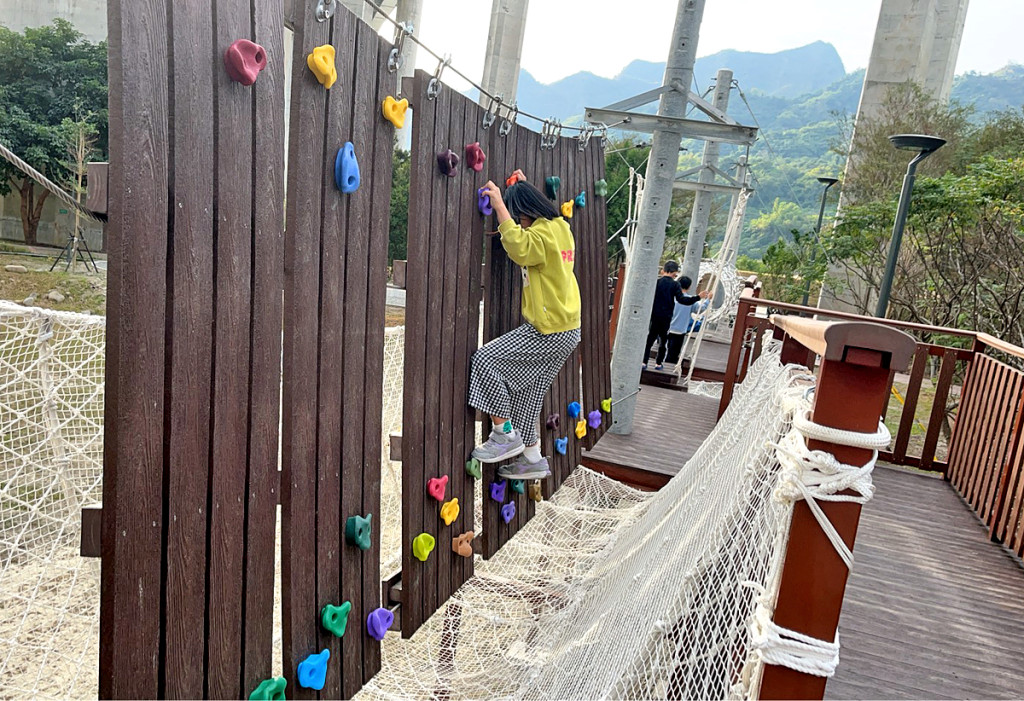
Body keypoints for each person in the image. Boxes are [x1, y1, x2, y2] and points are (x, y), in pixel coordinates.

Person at [467, 178, 581, 481]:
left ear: (526, 212)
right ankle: (532, 458)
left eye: (520, 216)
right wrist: (523, 186)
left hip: (549, 328)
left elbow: (519, 247)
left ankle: (504, 434)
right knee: (528, 395)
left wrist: (501, 206)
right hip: (569, 328)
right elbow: (531, 236)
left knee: (486, 360)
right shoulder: (561, 228)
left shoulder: (541, 236)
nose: (519, 222)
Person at [643, 262, 706, 371]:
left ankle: (644, 362)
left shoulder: (657, 282)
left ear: (664, 270)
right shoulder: (675, 285)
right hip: (666, 317)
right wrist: (697, 297)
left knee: (650, 339)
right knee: (663, 341)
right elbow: (682, 300)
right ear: (675, 272)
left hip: (654, 315)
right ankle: (658, 363)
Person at [664, 276, 711, 368]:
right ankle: (668, 370)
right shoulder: (690, 300)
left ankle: (662, 366)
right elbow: (700, 309)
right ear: (689, 287)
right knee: (673, 354)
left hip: (666, 329)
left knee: (664, 350)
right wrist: (708, 300)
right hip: (679, 331)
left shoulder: (670, 297)